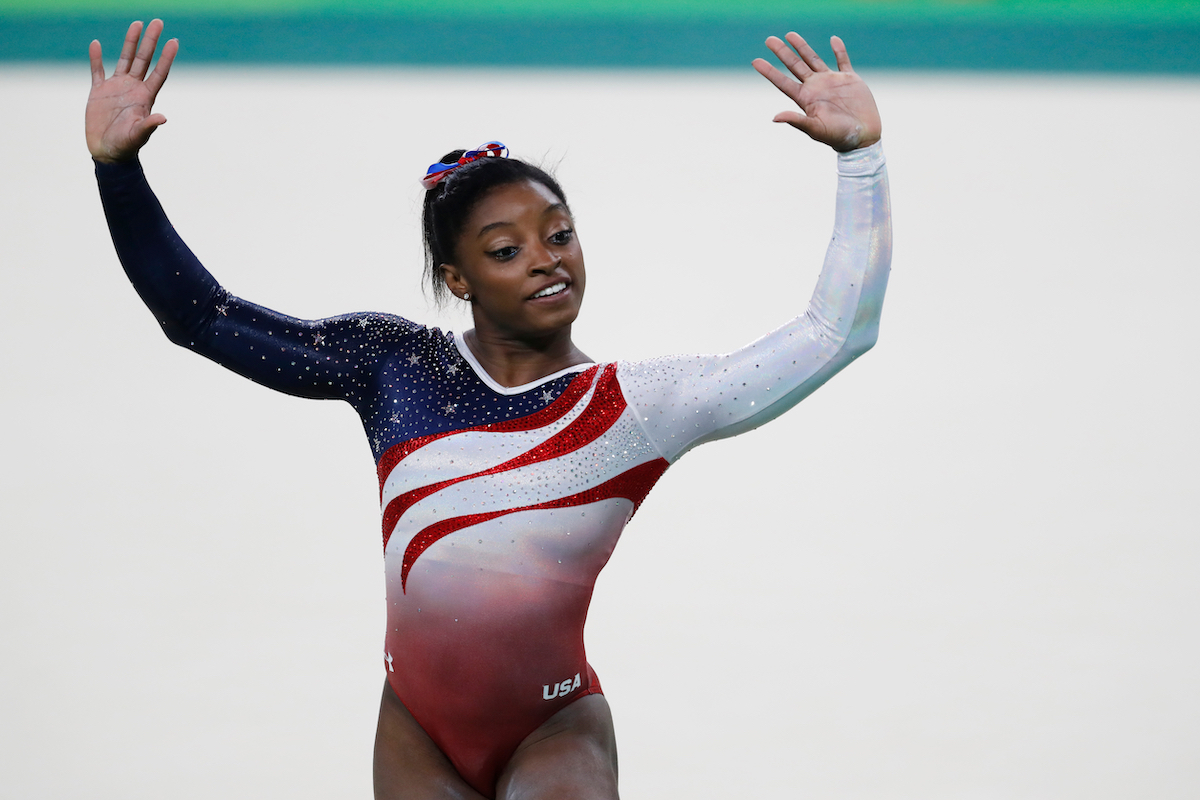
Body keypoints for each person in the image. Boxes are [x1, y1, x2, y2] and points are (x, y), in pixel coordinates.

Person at [86, 19, 890, 800]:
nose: (546, 260)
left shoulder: (634, 405)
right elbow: (203, 318)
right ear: (458, 278)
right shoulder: (391, 365)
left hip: (554, 730)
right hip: (414, 734)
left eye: (561, 235)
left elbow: (835, 332)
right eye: (507, 251)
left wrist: (862, 160)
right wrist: (117, 174)